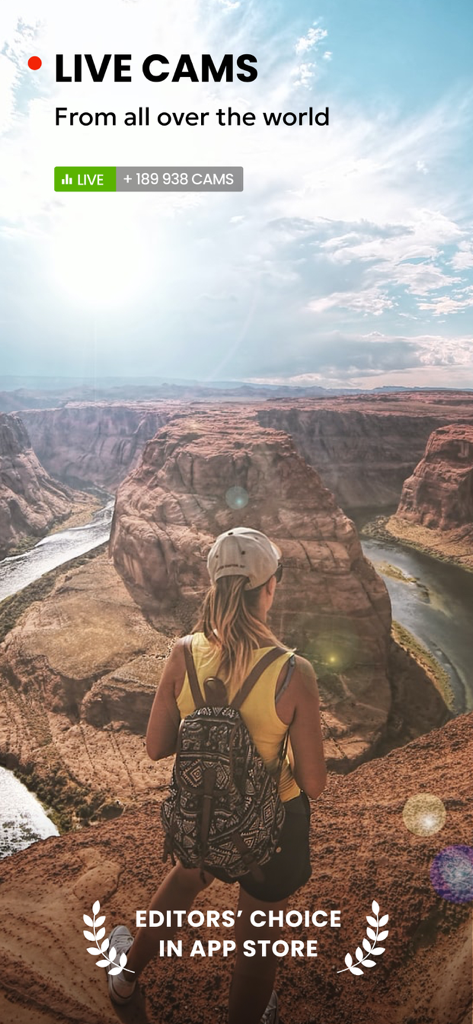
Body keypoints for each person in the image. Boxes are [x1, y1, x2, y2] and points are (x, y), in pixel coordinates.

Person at [106, 527, 326, 1023]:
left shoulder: (183, 653)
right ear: (270, 587)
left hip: (203, 810)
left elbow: (156, 746)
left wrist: (212, 742)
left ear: (214, 585)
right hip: (272, 828)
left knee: (186, 879)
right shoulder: (294, 671)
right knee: (257, 943)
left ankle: (124, 981)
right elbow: (314, 784)